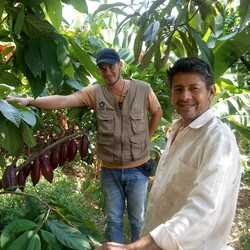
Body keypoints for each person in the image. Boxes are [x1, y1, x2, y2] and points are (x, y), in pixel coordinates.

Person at [6, 48, 163, 243]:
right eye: (102, 69)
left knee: (138, 220)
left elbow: (157, 112)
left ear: (120, 65)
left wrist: (146, 138)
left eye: (111, 67)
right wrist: (30, 101)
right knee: (114, 220)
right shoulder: (96, 93)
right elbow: (64, 101)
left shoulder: (143, 89)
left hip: (138, 169)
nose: (107, 73)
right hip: (110, 170)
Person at [94, 57, 241, 250]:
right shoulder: (178, 129)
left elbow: (204, 210)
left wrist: (133, 248)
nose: (185, 96)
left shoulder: (218, 139)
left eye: (194, 88)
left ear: (211, 92)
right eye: (178, 89)